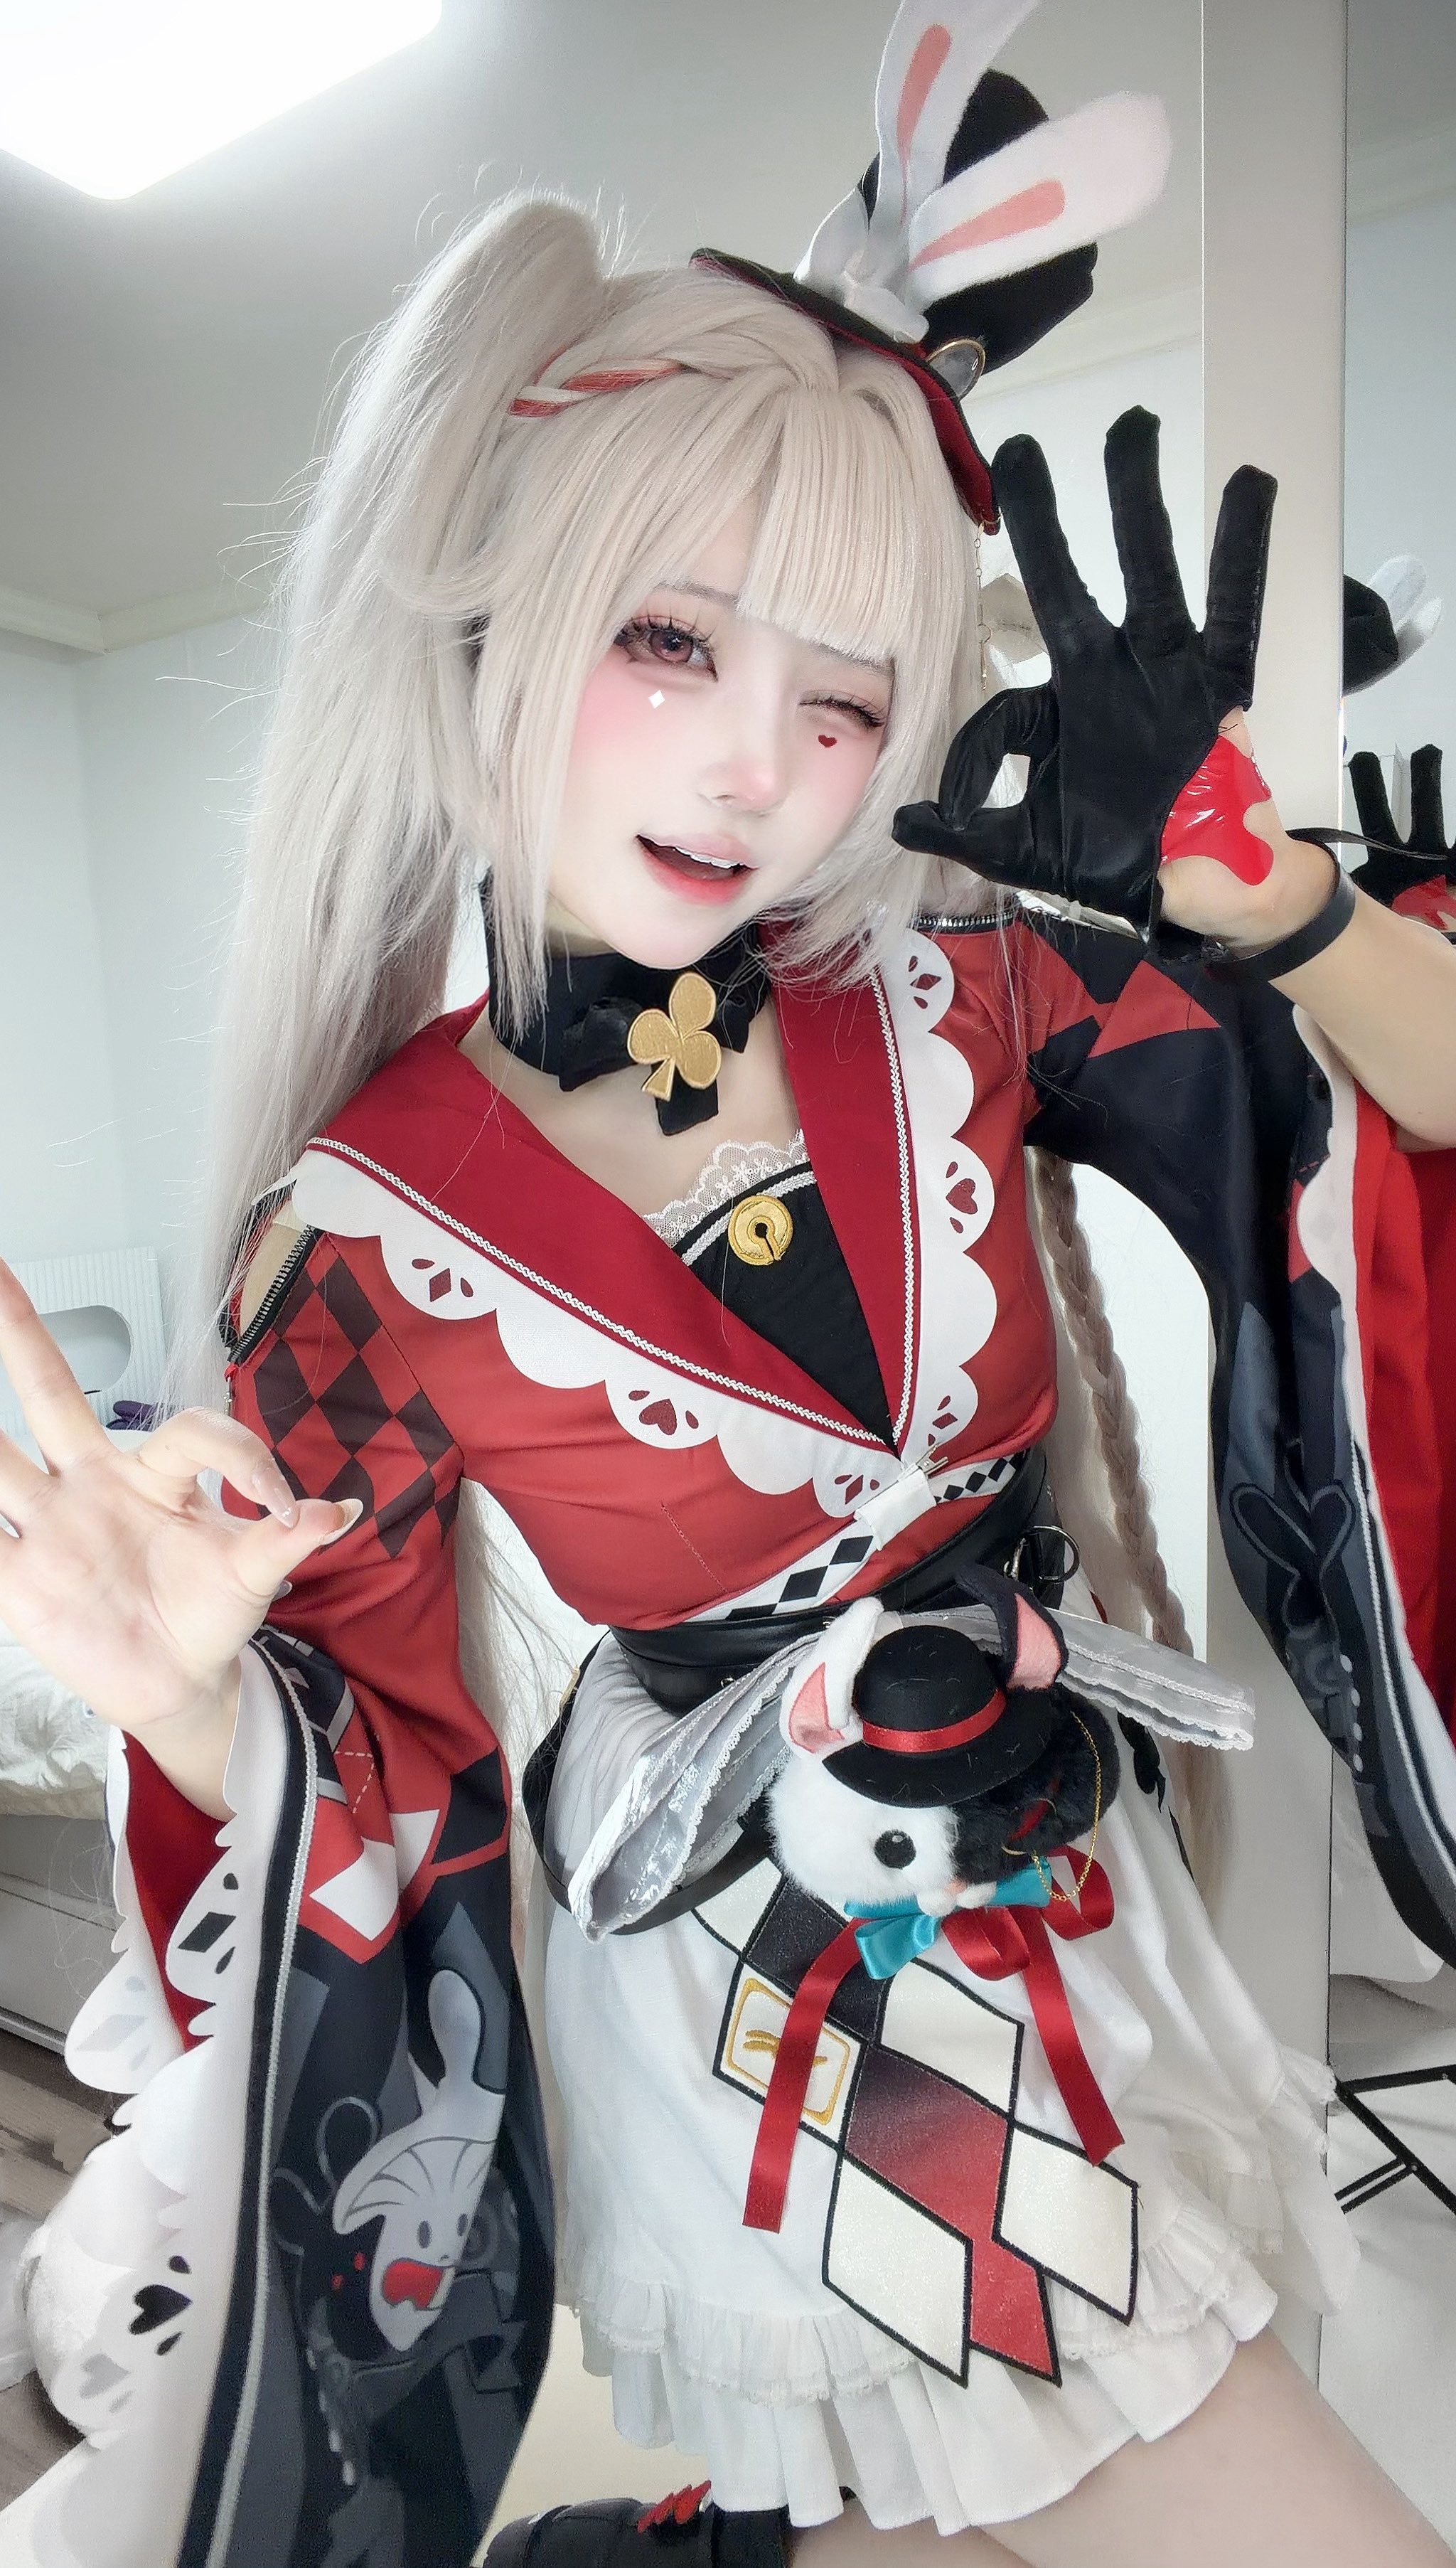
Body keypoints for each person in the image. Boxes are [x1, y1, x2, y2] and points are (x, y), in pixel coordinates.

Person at [1, 5, 1455, 2564]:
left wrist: (1273, 898)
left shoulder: (953, 989)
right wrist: (193, 1698)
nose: (761, 765)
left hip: (1071, 1864)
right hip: (790, 1982)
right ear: (492, 622)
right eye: (671, 642)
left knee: (999, 2504)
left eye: (844, 695)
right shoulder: (354, 1240)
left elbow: (1396, 1136)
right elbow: (388, 1787)